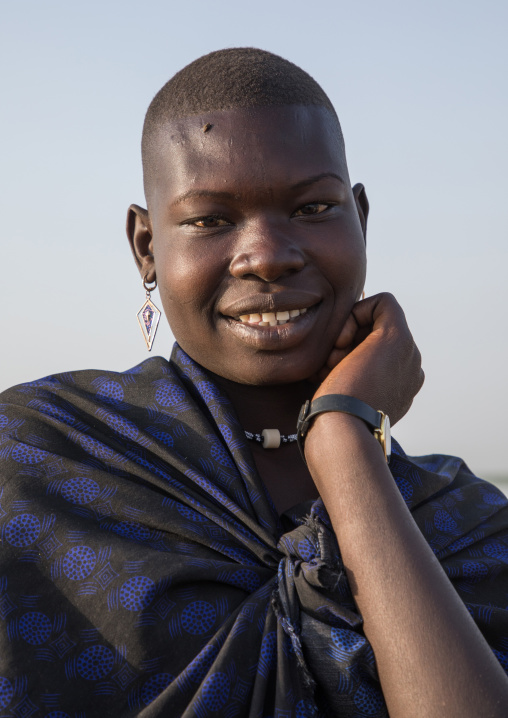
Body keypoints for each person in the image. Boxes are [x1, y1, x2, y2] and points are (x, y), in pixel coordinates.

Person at [0, 48, 507, 718]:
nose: (267, 254)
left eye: (314, 207)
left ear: (360, 218)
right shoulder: (35, 464)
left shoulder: (469, 529)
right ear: (147, 246)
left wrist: (346, 443)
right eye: (211, 219)